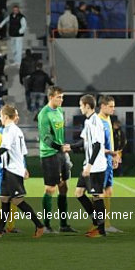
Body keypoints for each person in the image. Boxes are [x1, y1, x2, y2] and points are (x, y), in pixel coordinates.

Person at [0, 104, 46, 238]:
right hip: (8, 169)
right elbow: (22, 152)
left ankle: (39, 225)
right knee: (4, 199)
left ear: (5, 116)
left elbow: (4, 148)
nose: (0, 119)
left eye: (1, 116)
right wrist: (24, 167)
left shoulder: (10, 130)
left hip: (12, 170)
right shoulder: (16, 131)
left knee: (17, 201)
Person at [63, 94, 108, 238]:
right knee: (79, 193)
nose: (80, 108)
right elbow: (84, 142)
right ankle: (96, 222)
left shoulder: (95, 122)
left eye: (81, 105)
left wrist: (89, 165)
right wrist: (71, 147)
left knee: (96, 196)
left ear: (87, 106)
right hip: (88, 165)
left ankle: (101, 230)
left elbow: (97, 145)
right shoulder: (89, 121)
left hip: (95, 166)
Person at [37, 86, 75, 233]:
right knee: (50, 188)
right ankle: (45, 225)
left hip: (61, 154)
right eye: (59, 97)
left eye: (62, 97)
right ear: (50, 97)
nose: (61, 100)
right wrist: (59, 147)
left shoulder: (59, 111)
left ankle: (63, 225)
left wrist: (63, 150)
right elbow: (45, 138)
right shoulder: (44, 114)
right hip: (49, 154)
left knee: (64, 187)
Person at [98, 95, 123, 233]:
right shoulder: (96, 121)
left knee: (109, 191)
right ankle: (99, 223)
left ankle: (107, 224)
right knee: (99, 193)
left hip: (108, 159)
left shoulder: (108, 119)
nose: (113, 109)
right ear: (102, 106)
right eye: (111, 106)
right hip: (100, 161)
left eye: (114, 106)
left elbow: (110, 140)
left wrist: (114, 156)